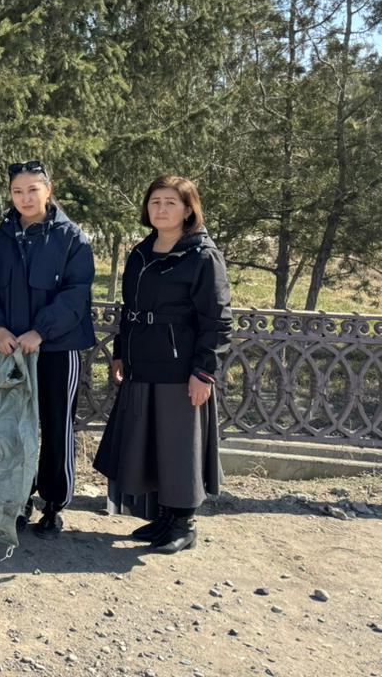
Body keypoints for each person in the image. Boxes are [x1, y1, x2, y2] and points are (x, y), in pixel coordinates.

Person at [94, 175, 231, 554]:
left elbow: (218, 320)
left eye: (171, 202)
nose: (161, 209)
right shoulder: (141, 253)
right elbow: (130, 309)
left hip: (180, 368)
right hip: (143, 363)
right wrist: (121, 352)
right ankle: (165, 519)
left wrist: (204, 371)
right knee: (153, 442)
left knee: (179, 445)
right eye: (155, 201)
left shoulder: (203, 257)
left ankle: (184, 524)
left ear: (188, 210)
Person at [0, 160, 96, 540]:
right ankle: (18, 498)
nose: (25, 198)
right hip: (12, 350)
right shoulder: (0, 239)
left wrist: (41, 332)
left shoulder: (72, 238)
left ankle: (54, 505)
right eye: (17, 191)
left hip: (57, 348)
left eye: (32, 190)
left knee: (57, 427)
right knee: (13, 425)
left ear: (48, 190)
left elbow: (76, 295)